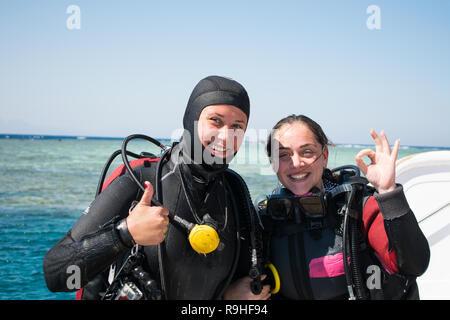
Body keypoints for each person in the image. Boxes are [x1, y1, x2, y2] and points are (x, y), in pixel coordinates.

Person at [43, 75, 271, 300]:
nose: (225, 136)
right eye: (215, 121)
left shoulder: (236, 193)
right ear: (191, 119)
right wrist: (124, 234)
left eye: (237, 126)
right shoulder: (142, 182)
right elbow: (55, 274)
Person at [257, 114, 430, 300]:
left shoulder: (359, 207)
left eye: (306, 152)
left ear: (324, 156)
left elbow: (414, 265)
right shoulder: (267, 218)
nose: (296, 163)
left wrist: (388, 191)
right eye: (283, 155)